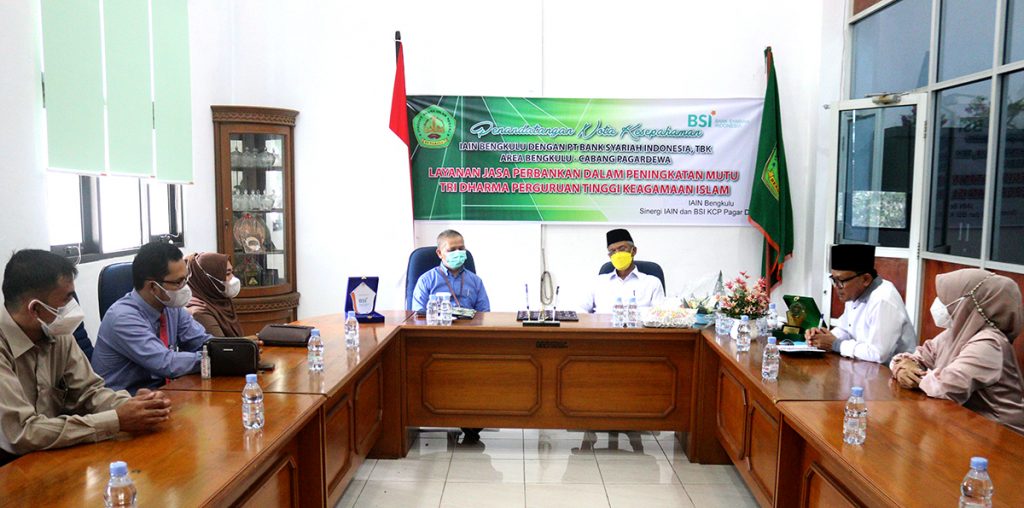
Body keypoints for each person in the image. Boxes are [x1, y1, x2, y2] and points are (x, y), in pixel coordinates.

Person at [0, 250, 171, 463]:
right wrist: (116, 420)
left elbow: (89, 393)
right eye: (67, 299)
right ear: (35, 309)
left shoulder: (56, 331)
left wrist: (137, 407)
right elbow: (22, 433)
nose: (73, 307)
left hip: (53, 455)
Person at [890, 269, 1024, 434]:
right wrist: (904, 365)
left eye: (945, 299)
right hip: (966, 426)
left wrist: (912, 375)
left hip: (1001, 436)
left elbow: (947, 387)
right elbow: (921, 356)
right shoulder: (955, 333)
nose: (939, 303)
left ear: (968, 303)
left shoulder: (989, 344)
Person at [93, 242, 213, 394]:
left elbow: (201, 341)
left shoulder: (170, 306)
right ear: (153, 287)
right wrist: (212, 359)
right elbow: (166, 363)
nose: (184, 287)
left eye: (186, 279)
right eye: (178, 282)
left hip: (162, 393)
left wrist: (227, 351)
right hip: (125, 400)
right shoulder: (122, 318)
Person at [805, 244, 916, 364]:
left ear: (865, 279)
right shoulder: (855, 293)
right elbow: (846, 330)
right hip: (864, 365)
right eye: (834, 280)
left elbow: (878, 353)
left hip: (892, 370)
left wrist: (836, 344)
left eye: (841, 281)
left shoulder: (883, 299)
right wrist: (821, 337)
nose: (837, 287)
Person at [581, 228, 665, 313]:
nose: (617, 254)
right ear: (609, 256)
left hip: (639, 321)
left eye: (622, 249)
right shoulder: (597, 282)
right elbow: (580, 310)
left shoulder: (652, 283)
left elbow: (661, 314)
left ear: (634, 251)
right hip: (603, 321)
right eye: (612, 251)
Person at [412, 230, 491, 312]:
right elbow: (418, 313)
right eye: (452, 250)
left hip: (468, 320)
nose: (457, 253)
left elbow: (484, 313)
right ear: (439, 253)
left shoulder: (476, 281)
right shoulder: (426, 280)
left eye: (461, 249)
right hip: (437, 319)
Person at [185, 252, 244, 337]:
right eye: (227, 274)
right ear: (206, 279)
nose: (233, 278)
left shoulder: (221, 301)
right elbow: (221, 344)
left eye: (232, 272)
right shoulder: (199, 312)